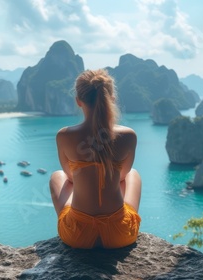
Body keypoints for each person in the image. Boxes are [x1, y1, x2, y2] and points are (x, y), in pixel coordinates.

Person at [49, 69, 142, 249]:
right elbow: (122, 177)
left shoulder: (64, 136)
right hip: (119, 235)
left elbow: (70, 178)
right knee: (133, 175)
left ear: (78, 101)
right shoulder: (128, 136)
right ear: (112, 98)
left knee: (57, 176)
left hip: (77, 236)